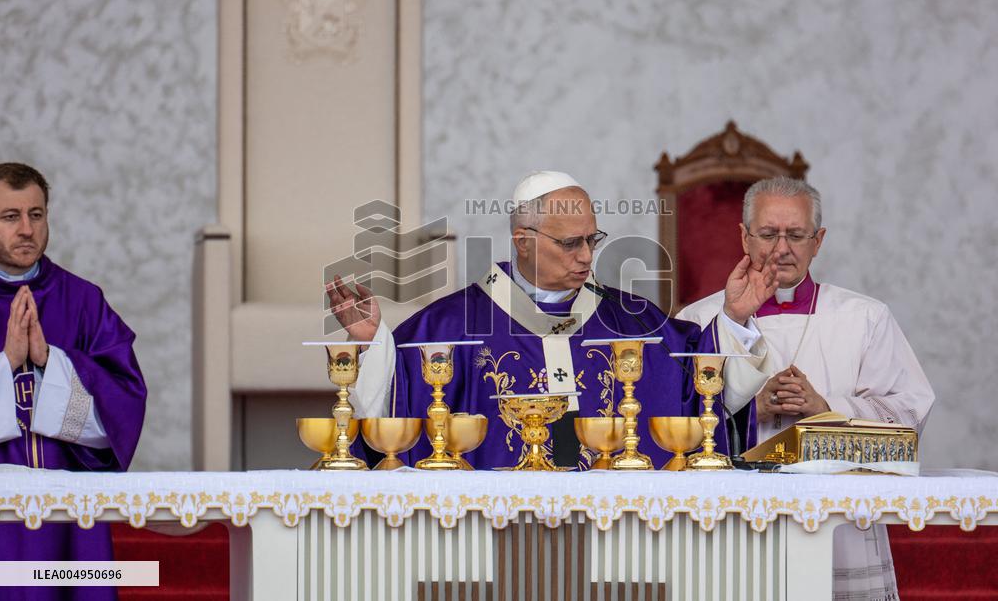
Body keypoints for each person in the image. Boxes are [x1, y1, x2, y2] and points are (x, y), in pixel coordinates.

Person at [329, 170, 778, 469]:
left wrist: (735, 317)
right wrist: (375, 344)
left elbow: (698, 385)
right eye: (570, 244)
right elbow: (395, 409)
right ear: (523, 241)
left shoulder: (631, 321)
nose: (587, 257)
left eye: (593, 240)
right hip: (495, 536)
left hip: (614, 534)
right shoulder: (454, 325)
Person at [678, 176, 934, 601]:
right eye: (768, 234)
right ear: (744, 237)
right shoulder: (699, 318)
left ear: (818, 241)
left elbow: (910, 414)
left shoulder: (864, 317)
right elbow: (673, 419)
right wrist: (748, 409)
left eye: (796, 235)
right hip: (732, 519)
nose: (782, 248)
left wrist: (826, 407)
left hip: (838, 523)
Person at [0, 163, 147, 601]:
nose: (26, 229)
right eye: (10, 217)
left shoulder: (83, 301)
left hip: (70, 518)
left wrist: (51, 361)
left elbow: (125, 404)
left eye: (36, 215)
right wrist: (7, 361)